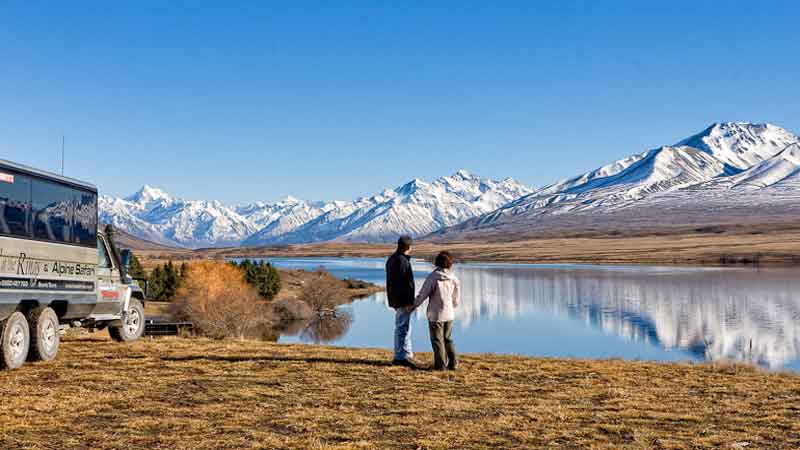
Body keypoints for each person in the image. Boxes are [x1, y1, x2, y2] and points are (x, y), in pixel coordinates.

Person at [411, 251, 460, 371]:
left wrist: (414, 304)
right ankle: (453, 363)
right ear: (449, 264)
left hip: (436, 314)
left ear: (436, 262)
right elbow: (456, 299)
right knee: (447, 339)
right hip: (449, 314)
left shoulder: (433, 277)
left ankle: (441, 366)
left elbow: (423, 294)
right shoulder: (453, 278)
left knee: (437, 341)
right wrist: (452, 306)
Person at [385, 235, 420, 368]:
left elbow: (391, 283)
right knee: (403, 328)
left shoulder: (392, 259)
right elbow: (405, 284)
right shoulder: (402, 261)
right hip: (403, 300)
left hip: (396, 299)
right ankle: (401, 357)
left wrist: (393, 301)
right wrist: (408, 302)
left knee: (402, 326)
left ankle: (405, 354)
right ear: (409, 247)